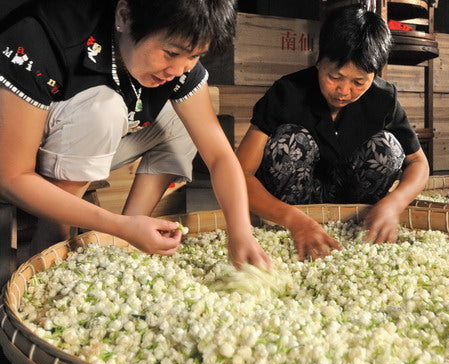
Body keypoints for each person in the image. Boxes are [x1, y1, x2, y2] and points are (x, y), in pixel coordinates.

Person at [0, 0, 271, 269]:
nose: (179, 70)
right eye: (171, 53)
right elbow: (11, 176)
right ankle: (53, 235)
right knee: (103, 109)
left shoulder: (178, 60)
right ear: (124, 16)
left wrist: (241, 233)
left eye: (195, 56)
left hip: (81, 139)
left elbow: (220, 156)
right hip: (19, 156)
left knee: (184, 122)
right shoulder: (39, 37)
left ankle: (129, 238)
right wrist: (117, 225)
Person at [236, 5, 430, 261]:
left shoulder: (383, 99)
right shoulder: (287, 93)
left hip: (353, 209)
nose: (344, 90)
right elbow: (240, 173)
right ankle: (299, 224)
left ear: (375, 74)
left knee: (387, 147)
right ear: (319, 61)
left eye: (359, 82)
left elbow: (418, 162)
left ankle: (357, 224)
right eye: (335, 76)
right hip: (292, 207)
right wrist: (295, 221)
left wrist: (394, 203)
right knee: (291, 141)